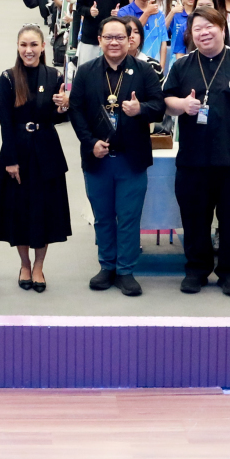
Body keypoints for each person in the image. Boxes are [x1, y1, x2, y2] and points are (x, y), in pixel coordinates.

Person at [162, 5, 230, 296]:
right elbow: (166, 102)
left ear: (222, 28)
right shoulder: (182, 65)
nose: (203, 33)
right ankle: (196, 270)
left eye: (209, 26)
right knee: (194, 219)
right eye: (197, 29)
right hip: (193, 159)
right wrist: (182, 105)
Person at [71, 16, 163, 295]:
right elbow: (76, 111)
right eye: (108, 37)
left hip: (131, 158)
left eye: (120, 37)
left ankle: (125, 270)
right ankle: (107, 265)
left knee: (129, 216)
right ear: (99, 40)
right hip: (97, 158)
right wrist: (90, 143)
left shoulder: (144, 71)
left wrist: (140, 109)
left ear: (129, 40)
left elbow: (159, 106)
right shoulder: (85, 71)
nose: (114, 42)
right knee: (102, 216)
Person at [0, 26, 72, 292]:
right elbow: (5, 122)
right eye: (24, 45)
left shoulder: (54, 75)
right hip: (18, 150)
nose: (29, 50)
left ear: (43, 47)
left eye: (34, 45)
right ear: (17, 47)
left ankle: (39, 266)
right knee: (20, 212)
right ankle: (24, 264)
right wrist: (10, 159)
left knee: (44, 212)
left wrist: (63, 106)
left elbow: (56, 118)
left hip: (46, 150)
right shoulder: (8, 78)